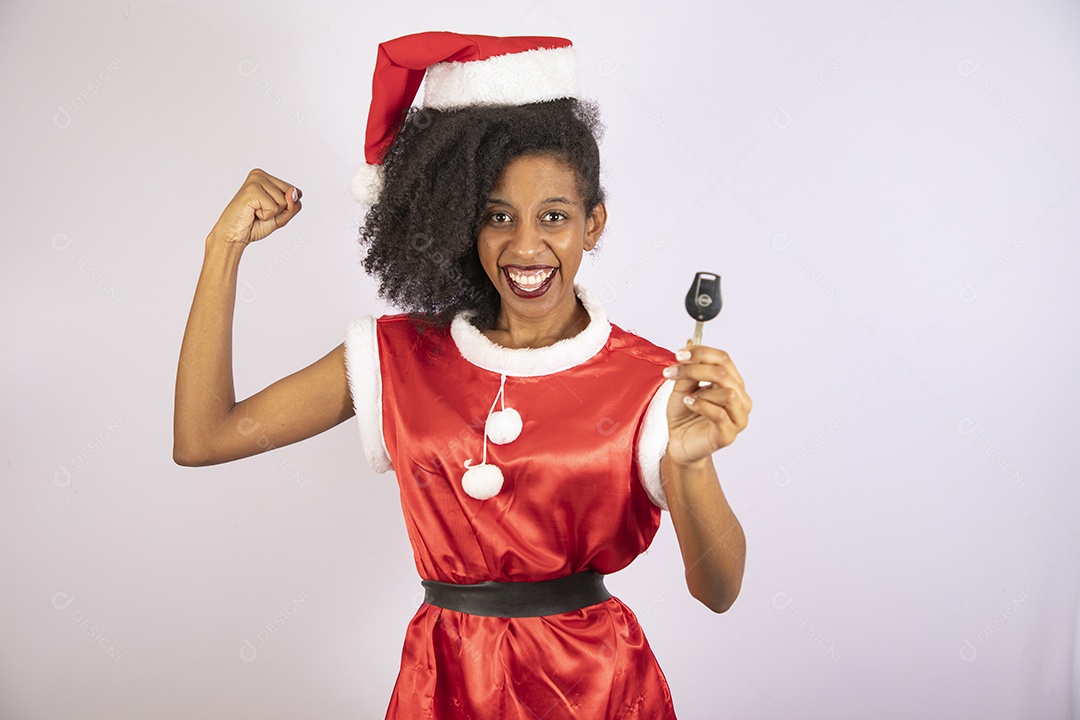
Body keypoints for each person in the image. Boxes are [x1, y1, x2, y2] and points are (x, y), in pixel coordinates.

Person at [173, 31, 750, 719]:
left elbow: (719, 591)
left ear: (594, 224)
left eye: (556, 217)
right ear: (461, 222)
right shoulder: (397, 357)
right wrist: (223, 247)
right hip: (443, 684)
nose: (527, 246)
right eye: (496, 217)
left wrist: (689, 465)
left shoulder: (652, 380)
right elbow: (204, 437)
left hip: (594, 688)